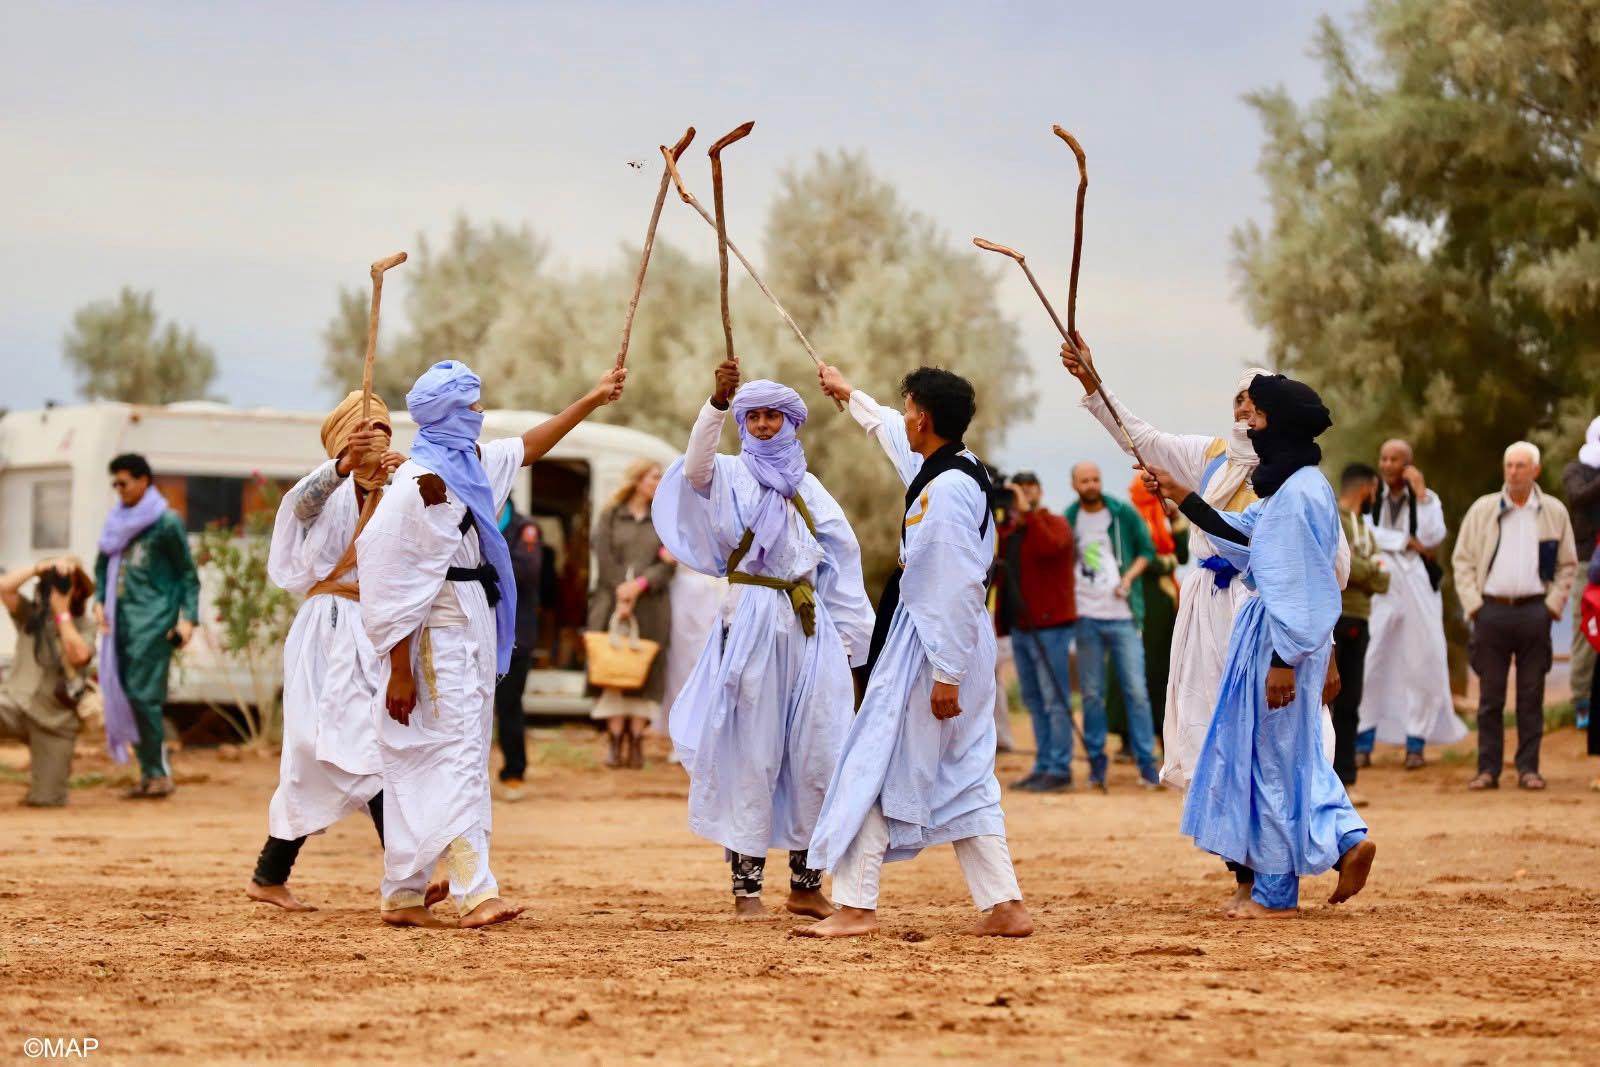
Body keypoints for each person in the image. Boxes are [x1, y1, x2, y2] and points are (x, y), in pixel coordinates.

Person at [358, 360, 626, 928]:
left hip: (471, 633)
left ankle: (402, 893)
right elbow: (393, 582)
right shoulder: (415, 486)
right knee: (452, 758)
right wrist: (400, 668)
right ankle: (475, 891)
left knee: (458, 756)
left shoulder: (470, 468)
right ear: (450, 415)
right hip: (434, 636)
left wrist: (591, 398)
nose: (480, 417)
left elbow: (529, 446)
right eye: (473, 408)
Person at [800, 362, 1032, 939]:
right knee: (966, 772)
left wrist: (946, 673)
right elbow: (892, 439)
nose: (902, 418)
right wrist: (851, 396)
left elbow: (949, 582)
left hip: (933, 644)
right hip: (954, 640)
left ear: (923, 418)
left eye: (907, 409)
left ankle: (855, 906)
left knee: (874, 762)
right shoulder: (955, 468)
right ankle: (1004, 905)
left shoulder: (948, 489)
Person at [1143, 372, 1375, 918]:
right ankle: (1344, 838)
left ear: (1280, 423)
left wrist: (1282, 663)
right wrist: (1183, 497)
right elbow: (1243, 538)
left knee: (1268, 763)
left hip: (1280, 645)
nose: (1248, 425)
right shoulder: (1294, 490)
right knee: (1292, 758)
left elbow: (1296, 586)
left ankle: (1272, 894)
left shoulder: (1296, 498)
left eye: (1258, 416)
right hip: (1281, 643)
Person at [654, 359, 874, 920]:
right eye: (754, 416)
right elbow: (695, 469)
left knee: (815, 751)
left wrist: (853, 637)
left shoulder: (811, 486)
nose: (765, 425)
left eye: (774, 415)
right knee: (752, 750)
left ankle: (805, 884)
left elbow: (842, 560)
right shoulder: (725, 473)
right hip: (751, 615)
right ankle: (746, 890)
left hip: (808, 623)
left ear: (791, 422)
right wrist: (716, 404)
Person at [1059, 340, 1269, 790]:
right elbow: (1141, 438)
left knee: (1263, 719)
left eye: (1256, 403)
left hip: (1260, 603)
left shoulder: (1289, 471)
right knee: (1205, 716)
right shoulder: (1211, 456)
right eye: (1239, 401)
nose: (1245, 411)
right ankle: (1228, 826)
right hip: (1206, 605)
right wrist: (1091, 381)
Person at [247, 392, 408, 911]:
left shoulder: (401, 486)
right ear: (344, 441)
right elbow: (300, 505)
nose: (377, 436)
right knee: (344, 749)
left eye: (383, 428)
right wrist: (340, 466)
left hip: (381, 632)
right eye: (366, 430)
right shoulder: (325, 490)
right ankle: (409, 874)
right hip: (327, 632)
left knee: (365, 751)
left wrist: (412, 480)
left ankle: (270, 875)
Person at [1453, 441, 1578, 791]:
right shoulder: (1483, 510)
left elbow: (1568, 563)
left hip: (1534, 612)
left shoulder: (1553, 511)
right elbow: (1461, 559)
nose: (1513, 472)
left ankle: (1528, 769)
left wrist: (1553, 605)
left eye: (1521, 466)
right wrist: (1474, 605)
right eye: (1509, 465)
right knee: (1490, 698)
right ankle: (1488, 769)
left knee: (1531, 695)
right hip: (1490, 611)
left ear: (1535, 470)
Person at [94, 453, 201, 799]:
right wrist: (98, 600)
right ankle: (148, 773)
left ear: (143, 481)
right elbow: (101, 566)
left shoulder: (166, 522)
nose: (118, 490)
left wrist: (188, 620)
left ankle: (158, 774)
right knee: (123, 697)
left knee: (144, 697)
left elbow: (188, 574)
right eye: (114, 484)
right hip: (119, 625)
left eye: (123, 482)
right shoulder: (116, 522)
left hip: (154, 624)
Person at [1356, 440, 1465, 769]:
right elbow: (1364, 534)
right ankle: (1363, 740)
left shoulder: (1427, 501)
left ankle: (1416, 743)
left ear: (1408, 465)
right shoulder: (1370, 497)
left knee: (1422, 659)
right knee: (1371, 659)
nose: (1388, 464)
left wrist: (1421, 495)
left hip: (1417, 583)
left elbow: (1433, 537)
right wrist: (1403, 540)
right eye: (1384, 458)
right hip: (1381, 582)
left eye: (1395, 459)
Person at [1064, 461, 1160, 789]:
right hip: (1085, 616)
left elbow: (1147, 551)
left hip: (1123, 615)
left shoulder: (1123, 513)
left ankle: (1147, 763)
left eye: (1096, 478)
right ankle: (1096, 763)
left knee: (1136, 689)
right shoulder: (1069, 519)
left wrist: (1129, 578)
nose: (1092, 484)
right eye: (1085, 480)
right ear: (1075, 485)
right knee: (1091, 693)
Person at [991, 470, 1077, 792]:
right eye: (1020, 489)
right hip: (1022, 627)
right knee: (1034, 699)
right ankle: (1044, 765)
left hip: (1051, 625)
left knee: (1055, 698)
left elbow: (1050, 548)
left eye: (1030, 488)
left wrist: (1027, 512)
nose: (1024, 494)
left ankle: (1060, 767)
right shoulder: (1010, 530)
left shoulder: (1054, 523)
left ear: (1040, 491)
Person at [589, 459, 674, 769]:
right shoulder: (611, 515)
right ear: (638, 480)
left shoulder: (664, 517)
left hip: (651, 604)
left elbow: (669, 563)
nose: (658, 481)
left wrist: (639, 586)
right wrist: (621, 591)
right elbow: (603, 555)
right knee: (613, 670)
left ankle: (636, 741)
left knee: (644, 671)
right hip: (611, 601)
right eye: (654, 476)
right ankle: (614, 741)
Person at [0, 557, 96, 807]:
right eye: (54, 583)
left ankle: (44, 787)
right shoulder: (30, 615)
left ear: (80, 591)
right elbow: (4, 587)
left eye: (67, 584)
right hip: (15, 703)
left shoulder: (85, 625)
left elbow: (79, 655)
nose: (60, 588)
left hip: (54, 721)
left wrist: (61, 613)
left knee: (48, 801)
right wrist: (37, 568)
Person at [1105, 474, 1190, 749]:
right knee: (1132, 666)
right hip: (1138, 599)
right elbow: (1146, 559)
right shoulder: (1129, 519)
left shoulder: (1162, 516)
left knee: (1161, 667)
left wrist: (1176, 519)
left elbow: (1183, 556)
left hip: (1163, 606)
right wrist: (1166, 562)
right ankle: (1129, 734)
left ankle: (1161, 731)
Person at [1333, 463, 1390, 805]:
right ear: (1367, 487)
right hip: (1335, 619)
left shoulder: (1365, 529)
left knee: (1351, 701)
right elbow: (1341, 566)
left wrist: (1363, 569)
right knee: (1329, 701)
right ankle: (1324, 779)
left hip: (1361, 617)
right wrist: (1366, 570)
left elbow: (1384, 577)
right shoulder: (1335, 519)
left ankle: (1346, 780)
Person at [494, 501, 543, 801]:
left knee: (509, 705)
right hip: (471, 630)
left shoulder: (526, 527)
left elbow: (527, 571)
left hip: (515, 634)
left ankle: (513, 772)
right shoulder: (464, 515)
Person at [1563, 417, 1600, 731]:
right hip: (1589, 562)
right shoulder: (1576, 470)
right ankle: (1581, 700)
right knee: (1584, 628)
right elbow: (1577, 498)